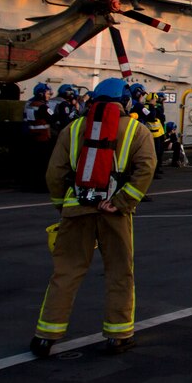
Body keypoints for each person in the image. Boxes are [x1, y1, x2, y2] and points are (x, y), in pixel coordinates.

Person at [29, 77, 156, 358]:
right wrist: (121, 202)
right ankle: (119, 335)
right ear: (124, 101)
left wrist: (63, 206)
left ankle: (45, 335)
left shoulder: (73, 129)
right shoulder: (137, 130)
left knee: (66, 272)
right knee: (119, 272)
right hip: (114, 212)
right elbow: (146, 169)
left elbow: (54, 173)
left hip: (76, 209)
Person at [23, 82, 55, 189]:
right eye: (47, 93)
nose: (49, 95)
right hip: (43, 138)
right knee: (43, 164)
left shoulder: (30, 104)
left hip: (32, 137)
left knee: (34, 163)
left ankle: (31, 184)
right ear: (41, 94)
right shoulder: (42, 106)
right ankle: (41, 185)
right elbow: (53, 118)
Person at [131, 85, 166, 180]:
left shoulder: (131, 104)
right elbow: (151, 116)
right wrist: (152, 106)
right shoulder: (139, 105)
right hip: (143, 133)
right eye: (142, 95)